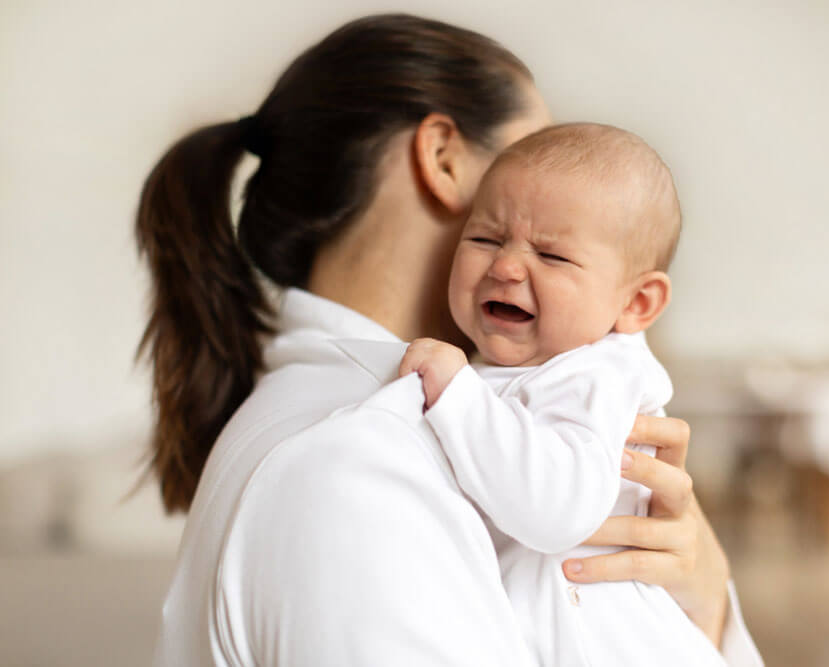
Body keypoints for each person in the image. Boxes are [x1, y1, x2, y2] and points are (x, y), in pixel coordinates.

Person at [135, 13, 760, 666]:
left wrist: (704, 595)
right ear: (443, 158)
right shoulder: (358, 463)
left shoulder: (375, 423)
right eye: (531, 151)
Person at [397, 123, 740, 666]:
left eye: (552, 257)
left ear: (637, 304)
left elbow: (556, 510)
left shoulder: (597, 375)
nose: (506, 266)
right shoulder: (542, 365)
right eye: (484, 238)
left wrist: (458, 394)